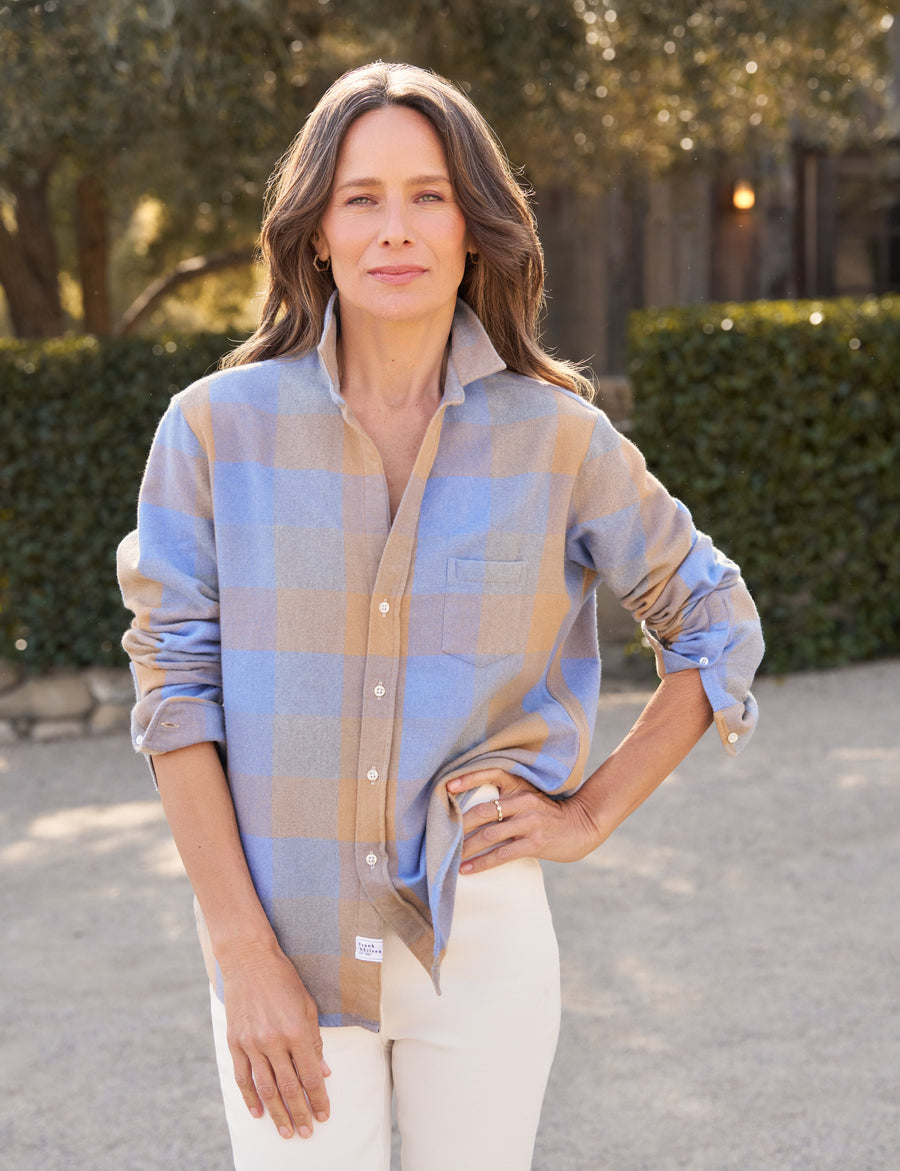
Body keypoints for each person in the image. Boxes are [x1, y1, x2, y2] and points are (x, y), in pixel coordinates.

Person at [117, 61, 763, 1171]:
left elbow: (715, 617)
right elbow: (174, 694)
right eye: (361, 198)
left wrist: (591, 812)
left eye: (429, 196)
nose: (395, 229)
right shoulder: (213, 431)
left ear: (475, 229)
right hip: (285, 948)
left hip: (483, 946)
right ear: (318, 232)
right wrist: (243, 956)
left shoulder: (557, 438)